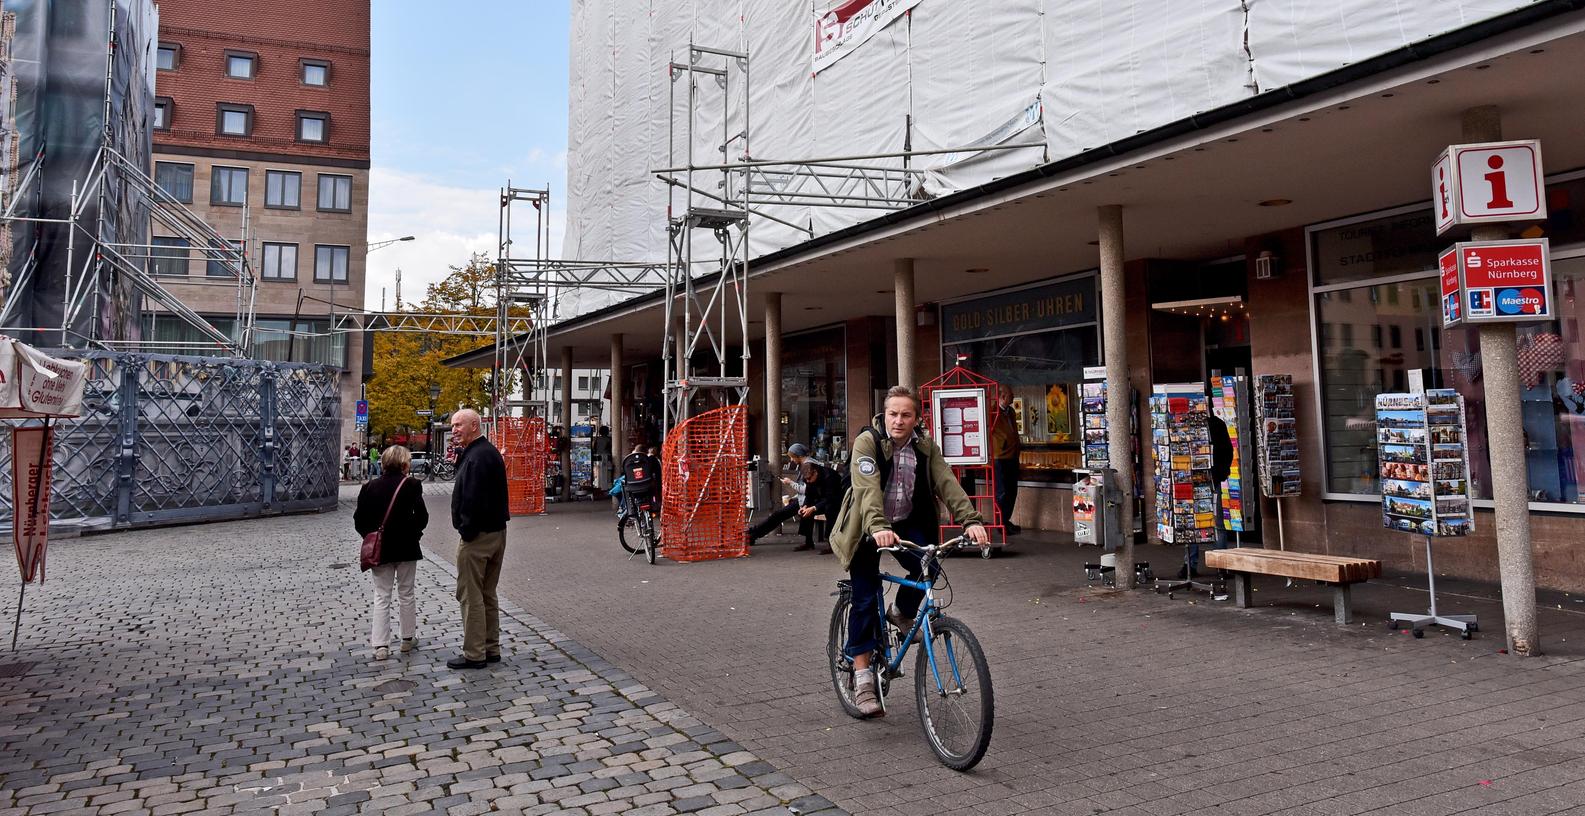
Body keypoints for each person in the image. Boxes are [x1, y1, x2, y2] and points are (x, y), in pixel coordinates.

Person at [832, 385, 990, 718]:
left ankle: (902, 612)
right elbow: (867, 490)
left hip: (904, 522)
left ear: (917, 417)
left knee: (928, 565)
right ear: (884, 414)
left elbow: (947, 483)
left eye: (906, 414)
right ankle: (862, 678)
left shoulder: (925, 447)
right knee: (863, 597)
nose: (898, 421)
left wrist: (971, 521)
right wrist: (877, 527)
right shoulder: (868, 442)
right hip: (866, 527)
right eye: (893, 414)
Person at [447, 408, 511, 670]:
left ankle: (475, 653)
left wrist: (465, 530)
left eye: (458, 425)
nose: (454, 430)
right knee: (487, 593)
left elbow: (471, 500)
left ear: (475, 425)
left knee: (470, 594)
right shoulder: (488, 452)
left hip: (478, 537)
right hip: (496, 532)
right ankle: (490, 647)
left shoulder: (476, 457)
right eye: (452, 426)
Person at [354, 446, 427, 661]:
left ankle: (380, 645)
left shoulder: (369, 488)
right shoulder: (412, 485)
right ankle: (407, 638)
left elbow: (359, 520)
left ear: (383, 463)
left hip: (381, 549)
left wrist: (371, 536)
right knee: (407, 593)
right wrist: (415, 534)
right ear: (405, 464)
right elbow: (422, 516)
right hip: (406, 546)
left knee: (381, 595)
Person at [1183, 411, 1235, 579]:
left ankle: (1214, 564)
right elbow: (1228, 451)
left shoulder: (1216, 424)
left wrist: (1220, 473)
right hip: (1205, 479)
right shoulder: (1214, 423)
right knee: (1198, 523)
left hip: (1211, 479)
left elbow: (1227, 451)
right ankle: (1204, 564)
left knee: (1212, 522)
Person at [748, 458, 836, 551]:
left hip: (832, 501)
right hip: (815, 499)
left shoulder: (829, 476)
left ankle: (831, 544)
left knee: (830, 510)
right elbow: (809, 493)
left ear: (815, 472)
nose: (808, 481)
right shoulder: (808, 475)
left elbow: (831, 498)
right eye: (807, 480)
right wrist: (805, 505)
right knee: (801, 511)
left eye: (809, 479)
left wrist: (813, 508)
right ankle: (808, 542)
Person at [743, 442, 814, 547]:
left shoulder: (808, 466)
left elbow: (808, 489)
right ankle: (753, 533)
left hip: (808, 501)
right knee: (778, 515)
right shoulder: (807, 464)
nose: (791, 460)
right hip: (804, 499)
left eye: (792, 457)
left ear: (798, 455)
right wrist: (794, 497)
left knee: (778, 515)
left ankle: (753, 534)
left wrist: (790, 483)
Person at [990, 385, 1022, 534]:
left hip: (1012, 456)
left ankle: (1005, 520)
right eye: (1010, 394)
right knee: (1002, 491)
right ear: (1002, 396)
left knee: (1011, 491)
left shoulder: (1011, 412)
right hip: (999, 457)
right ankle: (999, 523)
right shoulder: (993, 412)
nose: (1013, 396)